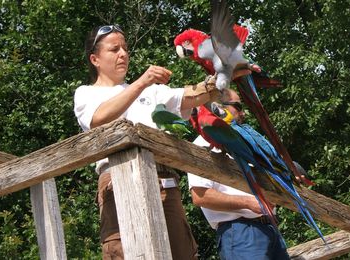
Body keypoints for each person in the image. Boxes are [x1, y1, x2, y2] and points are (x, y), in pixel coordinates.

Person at [73, 25, 255, 260]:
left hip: (164, 181)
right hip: (117, 181)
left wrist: (224, 75)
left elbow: (192, 95)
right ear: (95, 59)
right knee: (127, 252)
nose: (123, 54)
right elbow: (98, 119)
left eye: (126, 49)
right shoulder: (87, 93)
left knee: (180, 252)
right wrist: (141, 82)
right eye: (114, 49)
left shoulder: (154, 92)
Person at [187, 89, 290, 260]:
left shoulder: (243, 140)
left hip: (270, 228)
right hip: (241, 232)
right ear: (218, 106)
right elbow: (200, 197)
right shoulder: (202, 143)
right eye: (238, 106)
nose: (243, 113)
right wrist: (248, 203)